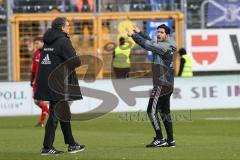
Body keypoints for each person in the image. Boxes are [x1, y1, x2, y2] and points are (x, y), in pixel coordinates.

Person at [34, 17, 85, 155]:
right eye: (68, 26)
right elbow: (75, 61)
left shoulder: (47, 41)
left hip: (47, 80)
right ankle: (47, 147)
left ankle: (71, 144)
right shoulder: (63, 40)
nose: (69, 28)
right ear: (61, 27)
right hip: (58, 82)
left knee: (63, 113)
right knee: (55, 114)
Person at [127, 24, 176, 147]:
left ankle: (159, 139)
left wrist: (133, 35)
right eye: (158, 31)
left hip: (161, 84)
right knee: (165, 114)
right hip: (168, 85)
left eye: (161, 32)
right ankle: (171, 140)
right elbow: (152, 41)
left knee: (151, 112)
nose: (159, 34)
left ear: (167, 35)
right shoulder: (168, 44)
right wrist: (140, 32)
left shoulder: (163, 47)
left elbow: (147, 44)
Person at [30, 37, 49, 127]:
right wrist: (32, 80)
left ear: (42, 43)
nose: (36, 45)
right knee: (36, 101)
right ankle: (53, 115)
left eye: (37, 43)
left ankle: (41, 122)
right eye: (35, 43)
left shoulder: (48, 53)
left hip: (44, 81)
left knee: (43, 102)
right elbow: (33, 69)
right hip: (36, 81)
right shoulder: (36, 53)